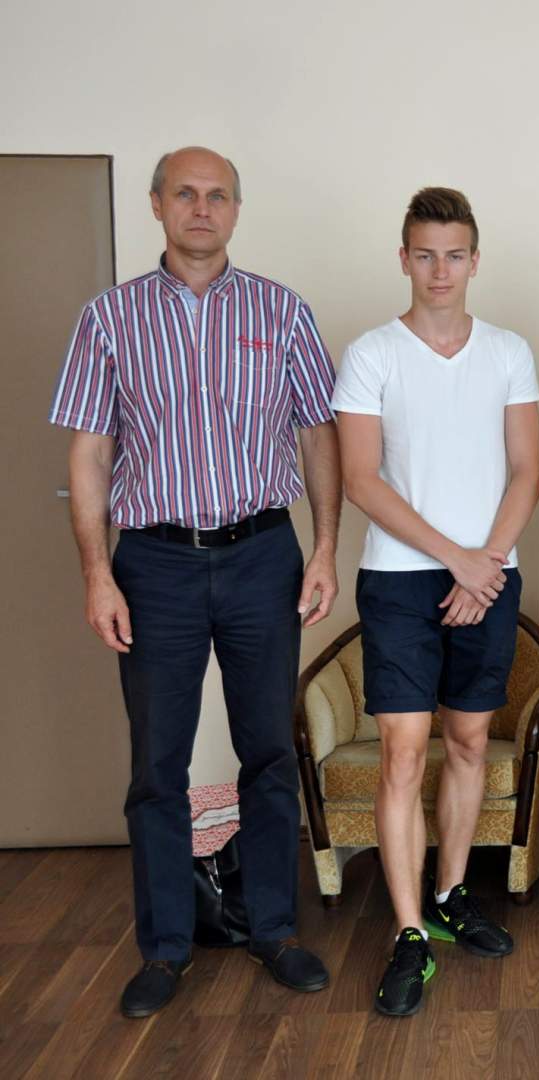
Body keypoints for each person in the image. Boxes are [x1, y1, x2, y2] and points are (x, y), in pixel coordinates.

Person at [49, 146, 338, 1018]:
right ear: (157, 205)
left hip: (262, 554)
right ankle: (166, 947)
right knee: (157, 765)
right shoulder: (110, 318)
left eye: (218, 196)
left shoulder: (281, 312)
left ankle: (273, 929)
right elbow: (89, 453)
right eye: (185, 193)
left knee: (269, 749)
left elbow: (318, 433)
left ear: (236, 210)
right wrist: (98, 574)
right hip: (155, 563)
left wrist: (326, 548)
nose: (202, 208)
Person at [332, 187, 539, 1017]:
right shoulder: (371, 354)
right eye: (425, 254)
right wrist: (455, 559)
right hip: (400, 579)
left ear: (475, 260)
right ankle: (410, 931)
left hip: (489, 569)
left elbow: (526, 470)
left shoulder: (509, 351)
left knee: (467, 741)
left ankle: (452, 895)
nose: (440, 270)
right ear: (404, 259)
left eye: (454, 255)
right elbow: (359, 479)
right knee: (402, 753)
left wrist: (482, 566)